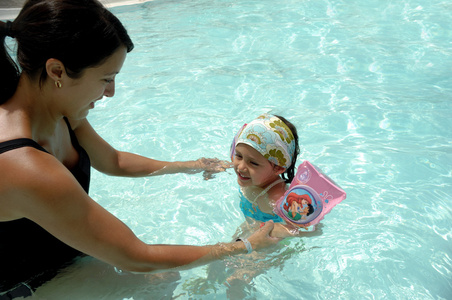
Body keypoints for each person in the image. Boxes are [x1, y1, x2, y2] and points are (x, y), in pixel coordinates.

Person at [0, 1, 279, 298]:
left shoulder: (58, 110)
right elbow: (137, 255)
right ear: (57, 71)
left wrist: (192, 165)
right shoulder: (24, 165)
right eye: (107, 79)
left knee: (163, 277)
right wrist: (245, 246)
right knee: (159, 275)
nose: (111, 92)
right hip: (25, 285)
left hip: (64, 258)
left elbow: (114, 161)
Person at [231, 113, 304, 238]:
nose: (241, 167)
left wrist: (276, 230)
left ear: (278, 168)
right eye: (239, 156)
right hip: (251, 225)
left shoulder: (277, 199)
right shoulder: (251, 176)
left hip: (272, 242)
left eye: (253, 163)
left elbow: (302, 230)